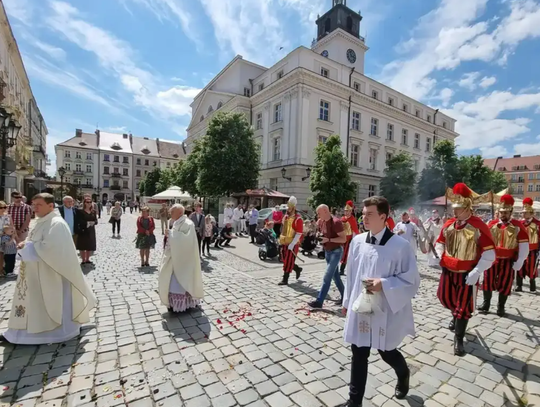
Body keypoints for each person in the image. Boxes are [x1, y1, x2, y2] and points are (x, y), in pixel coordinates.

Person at [340, 196, 420, 407]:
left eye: (369, 214)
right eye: (363, 214)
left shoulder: (400, 246)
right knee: (358, 352)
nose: (364, 218)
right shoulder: (357, 241)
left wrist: (383, 283)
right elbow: (350, 274)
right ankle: (354, 402)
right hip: (361, 306)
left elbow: (411, 280)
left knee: (386, 351)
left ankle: (403, 374)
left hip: (386, 308)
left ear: (383, 216)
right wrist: (347, 301)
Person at [0, 193, 96, 345]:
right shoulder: (42, 221)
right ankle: (17, 332)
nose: (34, 208)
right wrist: (26, 244)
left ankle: (49, 333)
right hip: (36, 273)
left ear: (50, 206)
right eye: (33, 204)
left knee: (50, 303)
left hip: (52, 274)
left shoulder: (56, 224)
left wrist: (27, 246)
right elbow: (35, 241)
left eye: (39, 205)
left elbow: (52, 249)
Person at [435, 183, 496, 356]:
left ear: (467, 208)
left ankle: (459, 339)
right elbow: (440, 243)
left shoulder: (478, 226)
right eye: (454, 208)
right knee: (446, 298)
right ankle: (454, 316)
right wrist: (440, 255)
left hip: (467, 274)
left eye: (459, 208)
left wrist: (477, 271)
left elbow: (489, 253)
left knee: (463, 307)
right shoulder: (448, 224)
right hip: (448, 271)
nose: (454, 212)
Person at [479, 194, 529, 317]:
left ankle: (501, 307)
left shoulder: (517, 226)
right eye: (501, 212)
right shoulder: (492, 224)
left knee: (505, 283)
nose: (503, 215)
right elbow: (484, 241)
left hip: (508, 260)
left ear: (511, 212)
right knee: (487, 280)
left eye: (506, 213)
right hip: (492, 259)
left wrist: (520, 260)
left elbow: (524, 244)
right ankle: (486, 304)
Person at [159, 204, 203, 313]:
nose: (170, 212)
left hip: (184, 260)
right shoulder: (177, 222)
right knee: (171, 281)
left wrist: (171, 234)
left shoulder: (188, 223)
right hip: (175, 258)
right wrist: (169, 234)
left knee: (179, 283)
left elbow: (186, 240)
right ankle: (173, 304)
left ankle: (182, 305)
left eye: (172, 211)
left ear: (179, 212)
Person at [309, 204, 347, 308]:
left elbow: (343, 239)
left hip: (336, 251)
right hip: (327, 251)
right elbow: (319, 231)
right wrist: (318, 235)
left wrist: (329, 240)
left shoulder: (336, 222)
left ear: (325, 211)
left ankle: (319, 301)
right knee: (336, 277)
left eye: (319, 213)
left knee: (327, 276)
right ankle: (345, 297)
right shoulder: (321, 221)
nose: (317, 215)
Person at [278, 196, 304, 285]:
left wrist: (292, 244)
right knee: (284, 259)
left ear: (293, 208)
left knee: (289, 260)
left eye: (289, 207)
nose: (288, 209)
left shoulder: (298, 219)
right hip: (284, 241)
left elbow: (299, 233)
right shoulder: (286, 217)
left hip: (293, 243)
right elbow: (283, 227)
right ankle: (297, 269)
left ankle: (285, 279)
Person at [518, 198, 539, 292]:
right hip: (521, 249)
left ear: (531, 213)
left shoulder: (538, 223)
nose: (523, 214)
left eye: (525, 213)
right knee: (520, 266)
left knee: (532, 268)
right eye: (523, 213)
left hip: (533, 249)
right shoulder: (520, 223)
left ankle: (532, 285)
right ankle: (519, 285)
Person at [340, 200, 360, 276]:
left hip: (349, 239)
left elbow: (355, 230)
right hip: (341, 238)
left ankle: (342, 269)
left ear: (351, 211)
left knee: (345, 255)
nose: (346, 212)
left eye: (348, 211)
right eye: (345, 211)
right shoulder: (342, 218)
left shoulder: (352, 219)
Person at [76, 197, 98, 265]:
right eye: (87, 202)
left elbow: (96, 220)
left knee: (89, 245)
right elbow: (79, 220)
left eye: (90, 202)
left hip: (91, 230)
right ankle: (83, 260)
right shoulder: (80, 211)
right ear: (84, 203)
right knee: (83, 245)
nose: (89, 204)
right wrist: (87, 223)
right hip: (83, 230)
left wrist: (94, 222)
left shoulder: (93, 211)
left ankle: (88, 259)